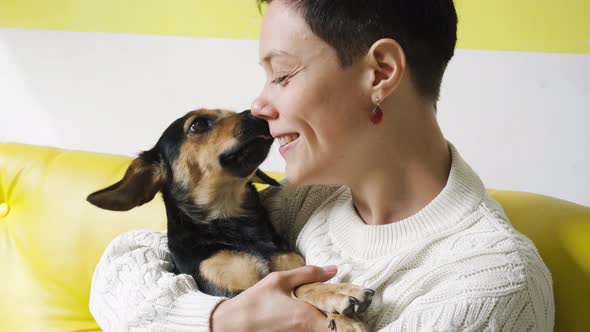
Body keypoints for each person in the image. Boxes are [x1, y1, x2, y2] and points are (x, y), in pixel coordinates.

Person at [89, 0, 554, 331]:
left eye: (283, 74)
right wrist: (224, 319)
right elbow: (122, 269)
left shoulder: (491, 283)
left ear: (381, 73)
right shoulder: (307, 201)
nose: (258, 104)